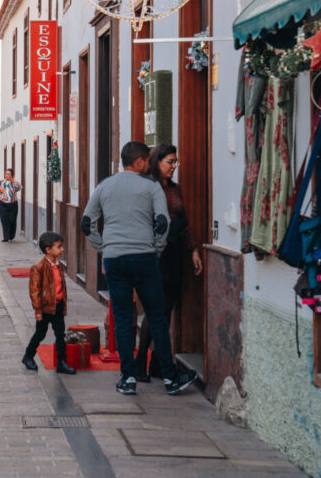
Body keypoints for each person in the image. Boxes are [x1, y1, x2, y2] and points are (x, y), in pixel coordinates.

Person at [82, 141, 197, 396]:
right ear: (140, 161)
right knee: (156, 317)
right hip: (144, 257)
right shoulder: (151, 186)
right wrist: (155, 249)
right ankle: (170, 377)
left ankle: (128, 378)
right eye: (146, 160)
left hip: (115, 259)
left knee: (123, 319)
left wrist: (104, 248)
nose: (148, 164)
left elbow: (86, 222)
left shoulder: (104, 186)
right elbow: (163, 222)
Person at [137, 144, 203, 379]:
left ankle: (155, 364)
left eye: (176, 162)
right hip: (155, 252)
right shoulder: (147, 188)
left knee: (166, 310)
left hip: (175, 253)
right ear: (157, 161)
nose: (174, 166)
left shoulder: (175, 189)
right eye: (170, 161)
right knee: (155, 309)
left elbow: (183, 220)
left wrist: (193, 249)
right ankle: (140, 362)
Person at [22, 232, 76, 375]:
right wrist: (38, 310)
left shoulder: (59, 266)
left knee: (60, 334)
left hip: (57, 306)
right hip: (45, 308)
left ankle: (61, 362)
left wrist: (63, 304)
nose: (62, 249)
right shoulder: (39, 267)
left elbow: (61, 286)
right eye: (59, 247)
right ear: (48, 249)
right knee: (40, 333)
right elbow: (34, 291)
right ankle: (28, 356)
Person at [0, 168, 21, 242]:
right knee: (4, 220)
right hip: (2, 204)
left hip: (13, 204)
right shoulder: (0, 183)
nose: (6, 175)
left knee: (12, 220)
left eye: (8, 174)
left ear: (12, 175)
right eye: (6, 174)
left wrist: (13, 180)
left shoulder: (15, 184)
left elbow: (19, 187)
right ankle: (5, 237)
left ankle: (11, 236)